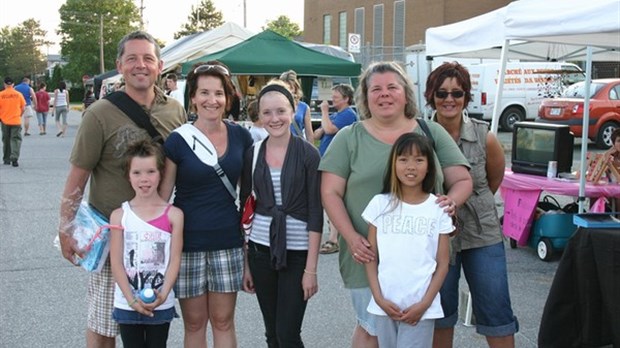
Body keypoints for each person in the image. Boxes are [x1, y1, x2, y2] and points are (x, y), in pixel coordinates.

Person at [319, 61, 473, 348]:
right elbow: (330, 193)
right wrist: (351, 238)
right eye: (376, 89)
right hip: (367, 255)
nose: (384, 94)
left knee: (412, 331)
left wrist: (450, 202)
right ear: (365, 97)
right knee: (371, 329)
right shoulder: (348, 137)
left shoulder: (430, 132)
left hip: (419, 260)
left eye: (392, 87)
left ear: (406, 94)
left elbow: (463, 180)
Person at [57, 30, 186, 348]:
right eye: (131, 59)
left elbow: (178, 165)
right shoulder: (99, 113)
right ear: (119, 65)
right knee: (103, 327)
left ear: (160, 65)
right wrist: (65, 228)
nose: (140, 65)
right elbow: (78, 176)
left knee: (151, 320)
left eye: (148, 58)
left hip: (158, 237)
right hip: (113, 234)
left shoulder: (175, 111)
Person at [159, 60, 253, 348]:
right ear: (193, 97)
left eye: (219, 94)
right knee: (195, 323)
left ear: (227, 99)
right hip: (187, 245)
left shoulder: (241, 136)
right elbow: (163, 198)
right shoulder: (178, 140)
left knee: (224, 322)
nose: (212, 100)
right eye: (204, 93)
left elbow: (249, 200)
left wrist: (249, 255)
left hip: (228, 241)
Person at [425, 62, 518, 348]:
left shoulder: (484, 136)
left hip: (483, 232)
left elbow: (493, 179)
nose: (449, 99)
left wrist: (469, 202)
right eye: (442, 93)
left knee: (495, 308)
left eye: (457, 92)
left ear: (466, 96)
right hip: (437, 234)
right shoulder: (420, 135)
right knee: (440, 312)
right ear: (432, 96)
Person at [240, 81, 323, 347]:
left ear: (293, 111)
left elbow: (315, 213)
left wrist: (311, 269)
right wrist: (246, 264)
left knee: (288, 334)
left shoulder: (309, 154)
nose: (274, 119)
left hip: (297, 254)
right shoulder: (253, 153)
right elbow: (245, 210)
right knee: (272, 333)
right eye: (267, 113)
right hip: (260, 251)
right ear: (259, 115)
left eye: (280, 111)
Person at [363, 133, 452, 347]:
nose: (411, 166)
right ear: (393, 164)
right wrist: (379, 298)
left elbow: (443, 264)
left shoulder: (438, 208)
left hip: (421, 307)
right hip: (385, 304)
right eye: (403, 159)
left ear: (429, 166)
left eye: (419, 160)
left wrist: (425, 304)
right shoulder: (379, 204)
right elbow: (370, 257)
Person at [109, 139, 184, 348]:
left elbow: (174, 259)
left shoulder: (174, 215)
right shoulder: (119, 216)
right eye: (137, 173)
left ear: (161, 173)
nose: (144, 179)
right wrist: (131, 300)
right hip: (127, 303)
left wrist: (164, 293)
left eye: (151, 171)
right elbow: (116, 262)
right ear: (128, 176)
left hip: (160, 302)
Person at [314, 84, 358, 255]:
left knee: (332, 198)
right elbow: (320, 131)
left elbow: (330, 129)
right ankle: (335, 235)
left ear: (346, 98)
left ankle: (334, 238)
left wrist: (324, 112)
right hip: (327, 159)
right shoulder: (337, 114)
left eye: (336, 96)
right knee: (328, 199)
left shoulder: (348, 114)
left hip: (337, 161)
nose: (332, 99)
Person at [279, 70, 313, 141]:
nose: (289, 91)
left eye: (291, 88)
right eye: (285, 88)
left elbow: (309, 133)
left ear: (295, 88)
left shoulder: (304, 107)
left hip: (298, 145)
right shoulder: (276, 105)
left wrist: (311, 150)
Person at [0, 77, 26, 167]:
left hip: (4, 120)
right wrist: (19, 115)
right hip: (16, 120)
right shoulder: (18, 95)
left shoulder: (1, 95)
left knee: (6, 140)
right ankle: (14, 158)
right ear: (13, 84)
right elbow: (23, 107)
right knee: (15, 139)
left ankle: (6, 159)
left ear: (4, 84)